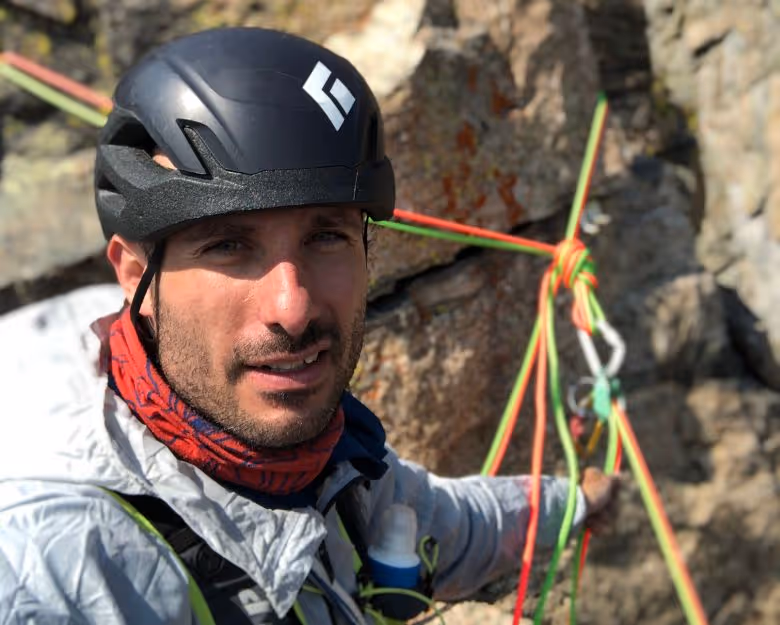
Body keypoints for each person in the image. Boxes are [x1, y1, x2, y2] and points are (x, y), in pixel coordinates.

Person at [0, 27, 618, 624]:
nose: (292, 308)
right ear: (137, 276)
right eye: (228, 247)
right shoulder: (53, 566)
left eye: (326, 236)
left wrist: (575, 503)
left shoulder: (337, 471)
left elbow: (449, 523)